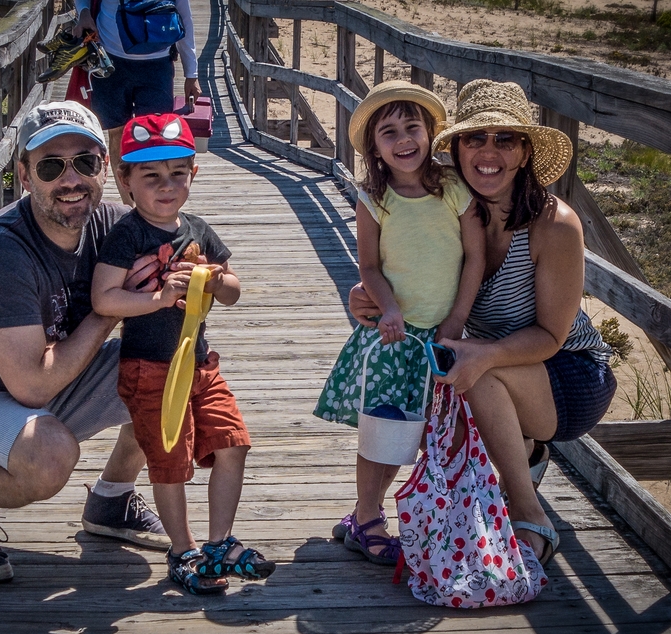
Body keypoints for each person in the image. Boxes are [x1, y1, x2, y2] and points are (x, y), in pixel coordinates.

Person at [0, 101, 177, 584]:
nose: (70, 179)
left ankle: (111, 501)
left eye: (85, 162)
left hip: (46, 384)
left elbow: (183, 262)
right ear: (25, 177)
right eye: (51, 166)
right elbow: (31, 385)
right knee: (49, 458)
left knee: (167, 371)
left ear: (106, 167)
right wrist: (111, 307)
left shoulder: (116, 225)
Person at [348, 79, 617, 565]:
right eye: (475, 138)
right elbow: (405, 260)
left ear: (525, 152)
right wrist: (368, 298)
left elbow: (553, 337)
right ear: (456, 148)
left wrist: (484, 353)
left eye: (505, 139)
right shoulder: (447, 200)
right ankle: (507, 463)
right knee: (432, 380)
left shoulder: (553, 224)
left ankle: (529, 512)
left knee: (474, 371)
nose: (488, 151)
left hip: (570, 373)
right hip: (495, 363)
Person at [90, 113, 275, 595]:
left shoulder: (198, 228)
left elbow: (233, 290)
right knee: (170, 462)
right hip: (149, 369)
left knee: (233, 443)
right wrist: (158, 298)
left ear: (193, 174)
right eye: (150, 176)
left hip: (199, 363)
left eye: (177, 173)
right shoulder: (127, 235)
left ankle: (219, 544)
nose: (165, 185)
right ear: (126, 180)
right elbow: (105, 298)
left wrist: (217, 280)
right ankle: (183, 549)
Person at [313, 80, 485, 566]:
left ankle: (363, 515)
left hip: (442, 336)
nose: (403, 139)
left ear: (431, 132)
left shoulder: (453, 187)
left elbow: (474, 258)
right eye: (388, 132)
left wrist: (457, 318)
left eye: (413, 126)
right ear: (375, 149)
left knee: (419, 432)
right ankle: (368, 519)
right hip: (394, 336)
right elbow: (368, 267)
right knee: (384, 429)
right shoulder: (373, 198)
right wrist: (388, 308)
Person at [72, 0, 201, 205]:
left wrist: (191, 73)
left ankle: (148, 203)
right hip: (110, 61)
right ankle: (128, 205)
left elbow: (185, 17)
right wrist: (84, 12)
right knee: (117, 132)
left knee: (155, 135)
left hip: (157, 64)